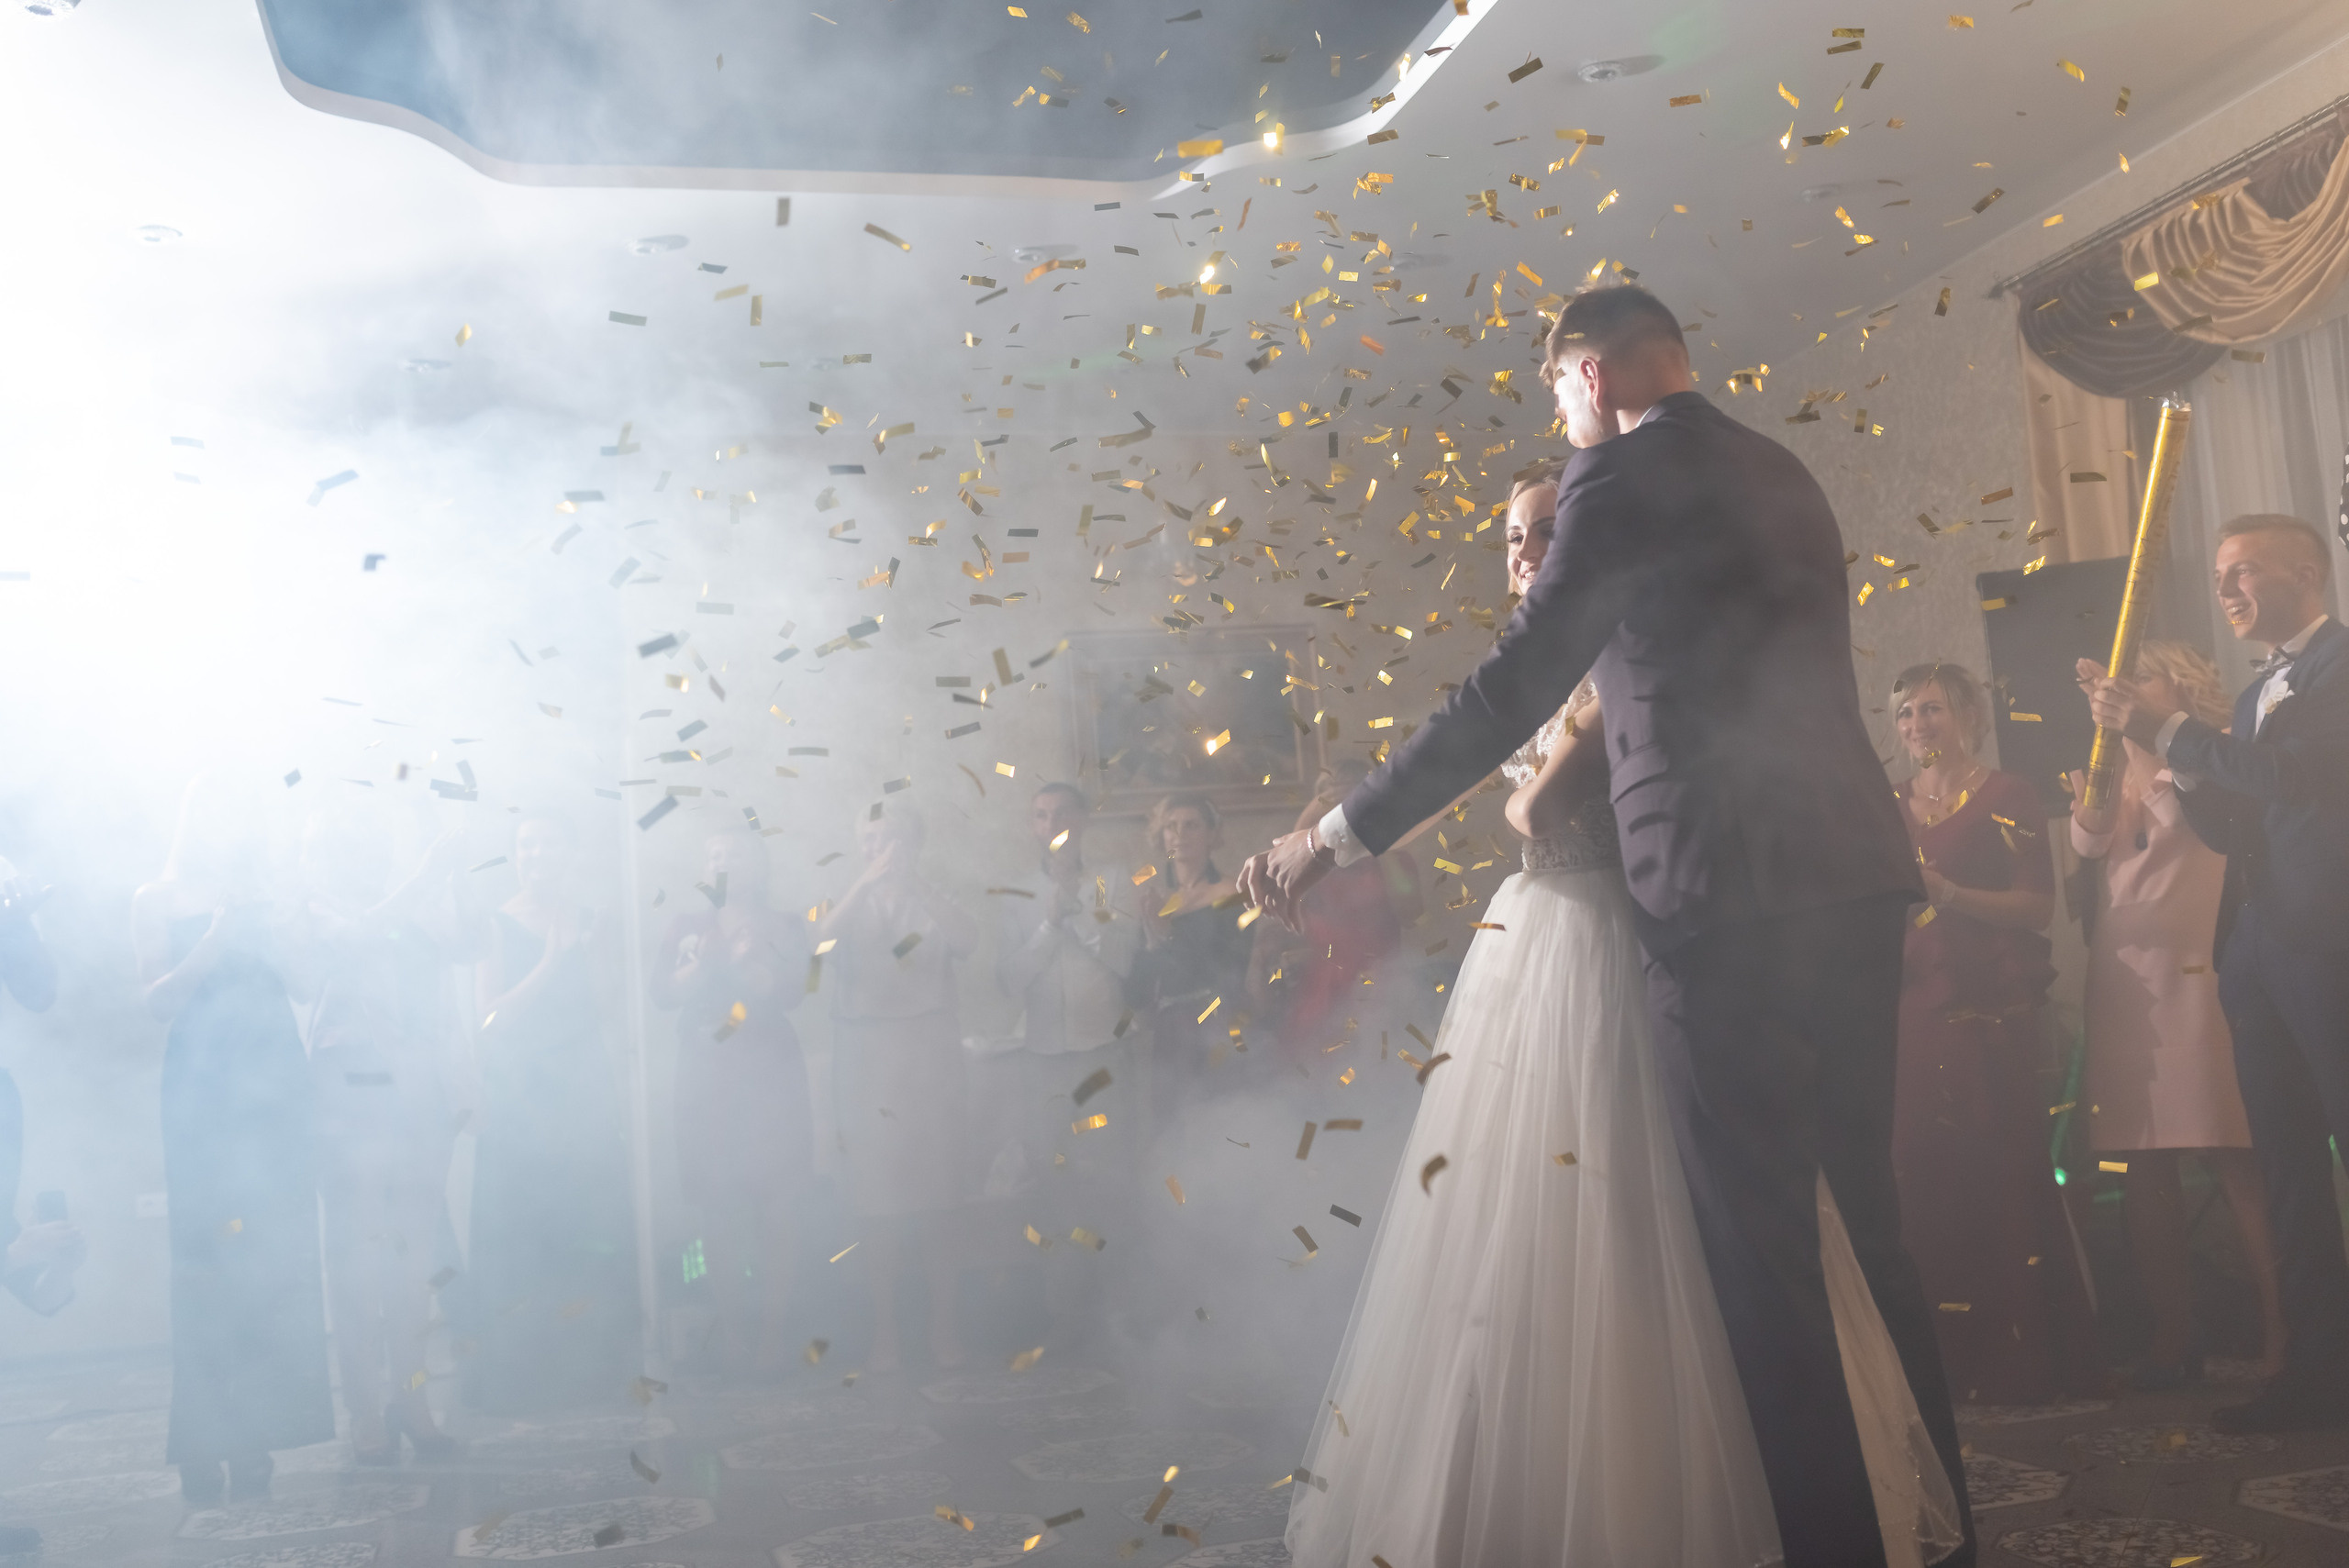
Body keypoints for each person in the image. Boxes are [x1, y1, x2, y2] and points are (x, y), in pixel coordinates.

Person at [1243, 283, 1974, 1567]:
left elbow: (1513, 681)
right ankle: (1944, 1530)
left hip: (1725, 895)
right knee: (1866, 1233)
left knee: (1763, 1262)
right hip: (1854, 876)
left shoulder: (1619, 477)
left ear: (1587, 377)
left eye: (1556, 393)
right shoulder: (1781, 467)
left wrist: (1335, 836)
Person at [2081, 511, 2349, 1433]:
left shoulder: (2339, 666)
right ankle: (2316, 1372)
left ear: (2306, 570)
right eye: (2222, 571)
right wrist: (2175, 761)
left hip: (2331, 945)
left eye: (2244, 569)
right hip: (2260, 952)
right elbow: (2237, 820)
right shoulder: (2247, 698)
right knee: (2286, 1170)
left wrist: (2165, 724)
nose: (2226, 586)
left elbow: (2295, 776)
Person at [2067, 641, 2287, 1386]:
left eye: (2141, 680)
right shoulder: (2103, 770)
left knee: (2234, 1152)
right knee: (2142, 1159)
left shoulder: (2210, 757)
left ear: (2180, 688)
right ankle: (2172, 1331)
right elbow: (2088, 843)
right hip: (2126, 987)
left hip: (2200, 973)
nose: (2122, 692)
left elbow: (2213, 828)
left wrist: (2146, 738)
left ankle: (2286, 1329)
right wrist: (2105, 768)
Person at [1887, 662, 2096, 1406]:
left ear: (1968, 714)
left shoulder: (2008, 794)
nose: (1918, 725)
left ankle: (2026, 1357)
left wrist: (1949, 895)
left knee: (1999, 1165)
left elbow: (2037, 906)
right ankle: (1943, 1363)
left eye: (1933, 709)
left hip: (1987, 1004)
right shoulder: (1889, 805)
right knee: (1922, 1170)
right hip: (1912, 1009)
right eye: (1906, 713)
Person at [132, 773, 334, 1505]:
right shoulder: (154, 899)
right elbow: (154, 998)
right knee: (206, 1265)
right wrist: (211, 942)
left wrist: (287, 930)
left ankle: (255, 1436)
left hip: (274, 1086)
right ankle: (202, 1441)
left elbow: (308, 986)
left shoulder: (269, 900)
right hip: (200, 1092)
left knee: (269, 1262)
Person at [294, 807, 476, 1462]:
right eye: (343, 845)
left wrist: (457, 1079)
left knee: (411, 1259)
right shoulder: (314, 905)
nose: (358, 856)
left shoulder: (418, 901)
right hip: (349, 1089)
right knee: (353, 1259)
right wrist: (426, 874)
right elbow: (353, 940)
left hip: (419, 1088)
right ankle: (365, 1414)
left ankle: (412, 1398)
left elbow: (456, 960)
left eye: (366, 843)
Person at [463, 811, 639, 1416]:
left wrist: (585, 953)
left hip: (582, 1090)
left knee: (587, 1228)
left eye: (547, 843)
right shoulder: (495, 922)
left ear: (570, 853)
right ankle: (519, 1378)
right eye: (525, 844)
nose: (536, 854)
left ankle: (591, 1372)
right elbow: (489, 1018)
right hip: (519, 1094)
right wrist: (550, 959)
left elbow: (612, 1007)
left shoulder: (596, 920)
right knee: (519, 1235)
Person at [820, 805, 978, 1373]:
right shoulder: (847, 899)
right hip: (867, 1063)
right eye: (871, 839)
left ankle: (943, 1328)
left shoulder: (934, 896)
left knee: (940, 1197)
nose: (882, 849)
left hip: (929, 1060)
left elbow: (968, 941)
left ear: (915, 845)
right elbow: (817, 945)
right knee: (875, 1202)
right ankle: (885, 1334)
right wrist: (865, 883)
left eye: (894, 839)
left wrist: (915, 883)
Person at [650, 827, 813, 1374]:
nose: (723, 862)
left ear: (759, 866)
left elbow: (794, 991)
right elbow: (663, 995)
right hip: (706, 1070)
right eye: (713, 853)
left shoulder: (789, 925)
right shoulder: (686, 927)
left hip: (769, 1070)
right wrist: (710, 959)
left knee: (779, 1204)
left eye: (735, 854)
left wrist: (751, 964)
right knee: (718, 1207)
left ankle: (772, 1335)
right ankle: (735, 1335)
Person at [990, 783, 1137, 1344]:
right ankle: (1062, 1316)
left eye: (1062, 814)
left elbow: (1125, 962)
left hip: (1102, 1055)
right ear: (1032, 825)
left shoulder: (1114, 879)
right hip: (1043, 1060)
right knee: (1053, 1183)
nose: (1051, 823)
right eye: (1040, 814)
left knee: (1109, 1182)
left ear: (1083, 821)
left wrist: (1077, 917)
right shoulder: (1016, 893)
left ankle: (1114, 1310)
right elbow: (1008, 982)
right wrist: (1050, 923)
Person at [1251, 757, 1422, 1069]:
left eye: (1355, 798)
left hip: (1381, 985)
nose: (1346, 808)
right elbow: (1287, 873)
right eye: (1336, 800)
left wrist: (1376, 829)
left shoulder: (1393, 858)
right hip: (1322, 987)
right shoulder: (1311, 864)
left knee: (1377, 1073)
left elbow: (1411, 910)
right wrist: (1323, 807)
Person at [1124, 793, 1252, 1118]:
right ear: (1161, 836)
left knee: (1213, 1126)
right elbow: (1137, 992)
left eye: (1191, 825)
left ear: (1211, 834)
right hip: (1168, 1033)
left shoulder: (1233, 893)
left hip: (1215, 1027)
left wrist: (1167, 933)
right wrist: (1152, 939)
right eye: (1171, 826)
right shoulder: (1156, 899)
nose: (1179, 835)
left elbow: (1230, 973)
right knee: (1170, 1128)